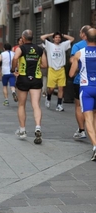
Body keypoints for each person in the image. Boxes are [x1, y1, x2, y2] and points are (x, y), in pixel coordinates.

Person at [11, 29, 47, 144]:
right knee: (36, 105)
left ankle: (22, 130)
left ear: (23, 38)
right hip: (36, 79)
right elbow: (45, 65)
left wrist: (14, 69)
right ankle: (37, 127)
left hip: (23, 78)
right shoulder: (40, 49)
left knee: (21, 104)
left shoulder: (20, 49)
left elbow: (15, 58)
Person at [69, 28, 96, 161]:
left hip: (86, 89)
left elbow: (71, 73)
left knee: (89, 118)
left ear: (85, 38)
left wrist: (79, 65)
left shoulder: (79, 53)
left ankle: (95, 147)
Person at [41, 31, 74, 111]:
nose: (57, 39)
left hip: (61, 69)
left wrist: (63, 34)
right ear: (53, 39)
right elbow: (42, 37)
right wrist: (50, 34)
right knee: (51, 89)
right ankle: (48, 98)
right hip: (52, 69)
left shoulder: (63, 45)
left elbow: (72, 39)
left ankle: (59, 104)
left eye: (59, 37)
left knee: (61, 88)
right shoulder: (49, 45)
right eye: (56, 37)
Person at [70, 25, 91, 139]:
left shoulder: (77, 46)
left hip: (80, 81)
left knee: (78, 106)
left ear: (83, 34)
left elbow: (73, 64)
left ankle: (82, 130)